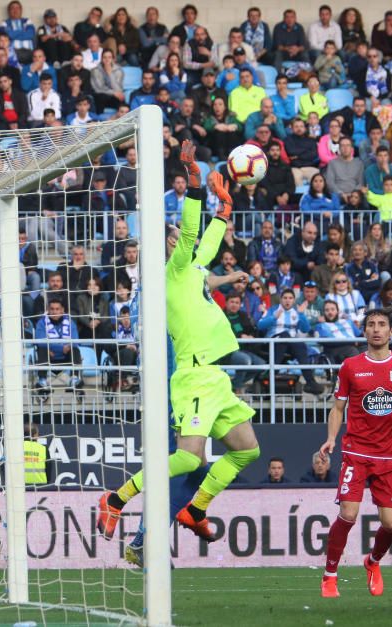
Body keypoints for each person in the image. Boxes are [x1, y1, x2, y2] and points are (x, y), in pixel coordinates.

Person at [98, 141, 260, 543]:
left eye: (174, 237)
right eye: (171, 238)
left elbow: (207, 241)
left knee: (246, 449)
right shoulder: (171, 273)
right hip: (192, 377)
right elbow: (191, 233)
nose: (177, 240)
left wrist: (223, 211)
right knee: (189, 457)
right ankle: (117, 499)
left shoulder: (193, 270)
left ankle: (196, 508)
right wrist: (192, 180)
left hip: (214, 376)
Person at [319, 308, 392, 598]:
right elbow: (337, 407)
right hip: (356, 452)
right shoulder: (350, 366)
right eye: (371, 325)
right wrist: (331, 438)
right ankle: (330, 575)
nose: (376, 329)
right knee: (348, 515)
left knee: (391, 525)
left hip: (390, 457)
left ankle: (373, 561)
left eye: (382, 325)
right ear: (364, 331)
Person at [258, 288, 323, 395]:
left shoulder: (297, 313)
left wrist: (301, 314)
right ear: (281, 299)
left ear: (294, 300)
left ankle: (310, 382)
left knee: (299, 343)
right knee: (285, 335)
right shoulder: (272, 310)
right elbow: (260, 326)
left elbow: (305, 329)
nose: (287, 300)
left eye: (290, 298)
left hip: (291, 346)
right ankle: (271, 376)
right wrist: (273, 318)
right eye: (285, 298)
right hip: (273, 343)